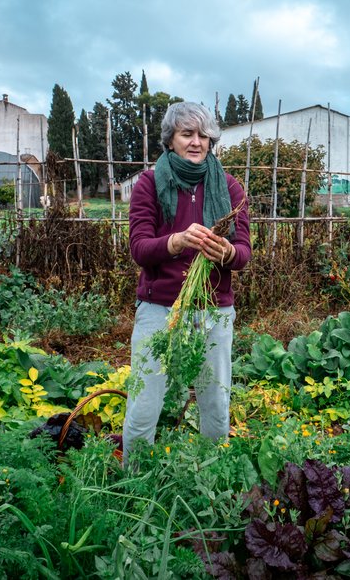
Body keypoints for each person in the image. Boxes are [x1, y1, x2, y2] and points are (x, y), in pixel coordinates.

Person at [123, 101, 251, 463]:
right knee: (145, 402)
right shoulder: (150, 183)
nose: (196, 142)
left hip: (214, 309)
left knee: (215, 401)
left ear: (211, 140)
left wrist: (225, 252)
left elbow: (243, 254)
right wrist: (175, 242)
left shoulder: (230, 188)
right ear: (171, 140)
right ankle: (133, 478)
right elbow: (139, 248)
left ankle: (213, 476)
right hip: (159, 309)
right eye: (186, 134)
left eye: (203, 135)